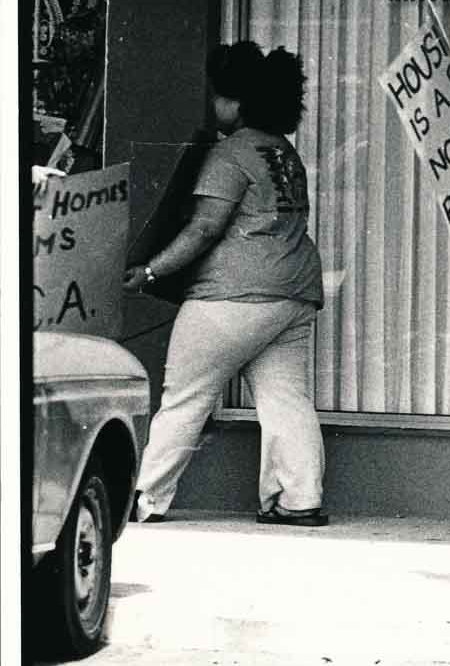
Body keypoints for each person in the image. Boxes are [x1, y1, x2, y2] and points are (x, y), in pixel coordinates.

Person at [123, 42, 328, 526]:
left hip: (231, 296)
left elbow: (204, 228)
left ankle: (145, 498)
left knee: (184, 396)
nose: (212, 104)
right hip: (293, 291)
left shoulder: (230, 153)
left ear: (237, 102)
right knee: (286, 399)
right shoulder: (284, 153)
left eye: (218, 96)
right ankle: (300, 499)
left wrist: (150, 272)